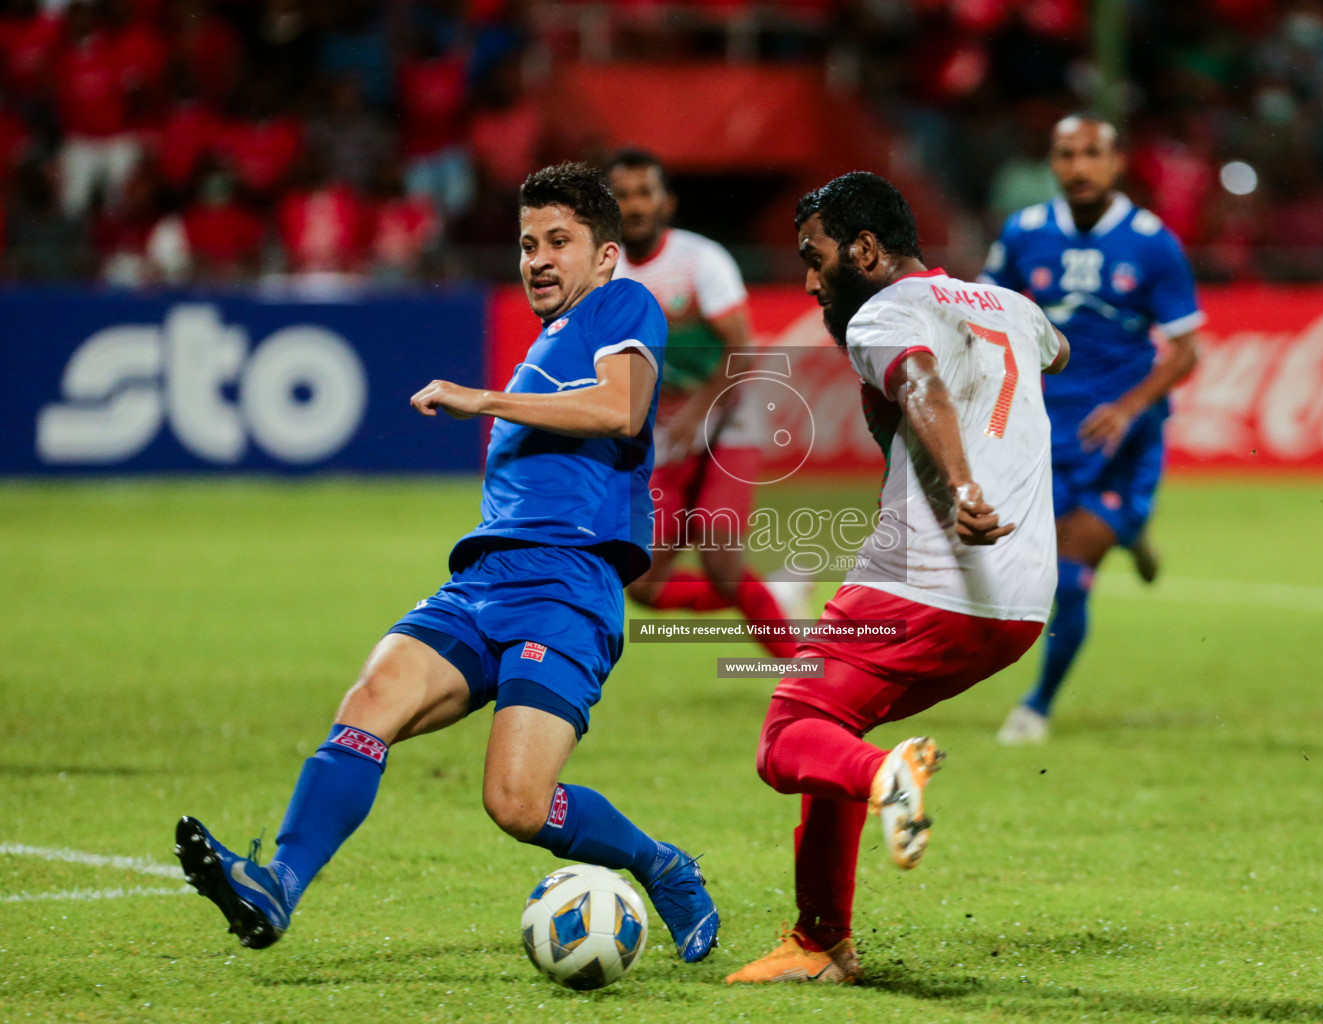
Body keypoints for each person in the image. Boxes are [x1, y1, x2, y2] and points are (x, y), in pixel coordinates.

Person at [174, 163, 721, 965]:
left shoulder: (621, 304)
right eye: (528, 242)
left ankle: (660, 865)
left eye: (558, 242)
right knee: (372, 700)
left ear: (604, 255)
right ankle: (277, 885)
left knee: (517, 802)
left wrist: (483, 398)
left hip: (566, 590)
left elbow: (621, 409)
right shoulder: (547, 343)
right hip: (483, 584)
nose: (536, 258)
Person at [726, 172, 1069, 984]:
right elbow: (1061, 349)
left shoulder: (881, 313)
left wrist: (961, 483)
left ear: (867, 250)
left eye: (816, 258)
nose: (811, 280)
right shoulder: (1012, 307)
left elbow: (919, 382)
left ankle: (887, 779)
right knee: (830, 725)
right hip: (1018, 603)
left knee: (786, 740)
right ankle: (822, 944)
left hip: (924, 578)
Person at [983, 114, 1203, 745]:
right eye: (1064, 154)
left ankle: (1038, 707)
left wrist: (1131, 408)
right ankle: (1134, 534)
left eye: (1090, 155)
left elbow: (1187, 349)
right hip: (1041, 433)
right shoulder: (1024, 234)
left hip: (1119, 437)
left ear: (1117, 163)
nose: (1077, 167)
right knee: (1017, 569)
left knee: (1071, 576)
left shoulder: (1152, 242)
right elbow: (987, 314)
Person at [608, 149, 810, 657]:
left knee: (720, 557)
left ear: (666, 203)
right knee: (644, 585)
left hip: (728, 419)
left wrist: (698, 412)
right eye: (621, 195)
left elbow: (740, 347)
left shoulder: (700, 260)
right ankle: (778, 595)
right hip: (668, 436)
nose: (633, 205)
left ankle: (805, 670)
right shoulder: (601, 273)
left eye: (643, 193)